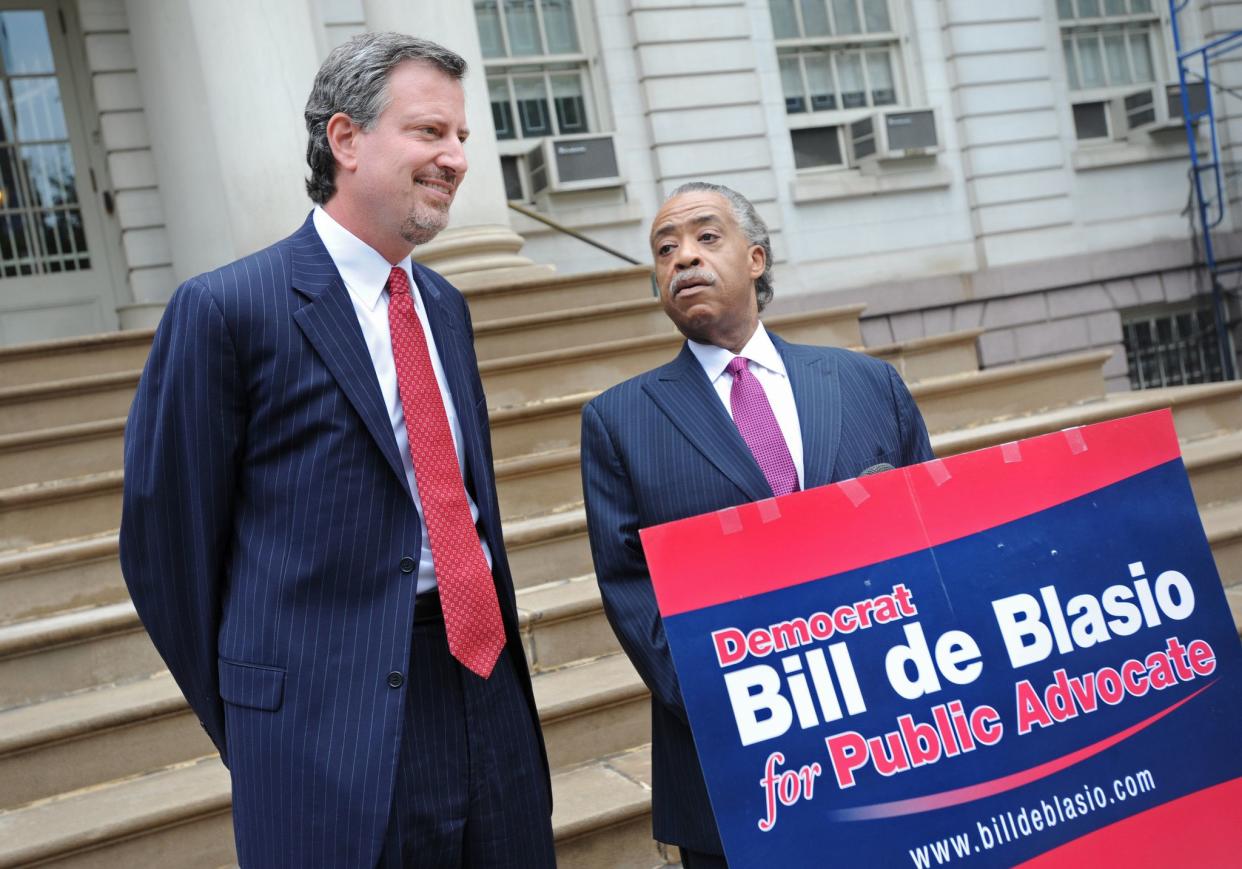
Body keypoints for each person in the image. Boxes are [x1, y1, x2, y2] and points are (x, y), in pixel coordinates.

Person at [120, 33, 554, 868]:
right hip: (328, 730)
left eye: (460, 136)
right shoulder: (226, 309)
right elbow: (163, 551)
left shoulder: (446, 306)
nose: (456, 157)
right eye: (430, 132)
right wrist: (264, 720)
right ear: (346, 140)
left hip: (484, 684)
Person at [580, 182, 934, 867]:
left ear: (757, 258)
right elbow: (632, 592)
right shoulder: (619, 422)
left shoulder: (867, 385)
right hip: (733, 776)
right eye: (664, 248)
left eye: (706, 237)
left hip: (896, 743)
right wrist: (734, 707)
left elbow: (933, 538)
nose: (682, 257)